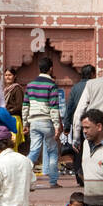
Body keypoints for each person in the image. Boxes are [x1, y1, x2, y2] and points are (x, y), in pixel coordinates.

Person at [23, 54, 65, 186]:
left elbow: (25, 106)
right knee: (52, 151)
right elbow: (53, 107)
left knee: (34, 151)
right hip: (47, 121)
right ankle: (53, 182)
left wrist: (25, 123)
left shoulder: (30, 85)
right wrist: (57, 126)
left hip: (34, 122)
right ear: (51, 69)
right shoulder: (51, 85)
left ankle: (23, 178)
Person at [62, 64, 96, 136]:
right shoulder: (95, 87)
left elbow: (69, 107)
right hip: (92, 123)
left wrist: (66, 126)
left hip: (78, 123)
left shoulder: (75, 87)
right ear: (92, 74)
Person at [3, 68, 25, 148]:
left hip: (14, 120)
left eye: (10, 75)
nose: (7, 77)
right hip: (6, 119)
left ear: (14, 76)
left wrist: (5, 112)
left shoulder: (17, 89)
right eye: (6, 75)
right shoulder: (5, 90)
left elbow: (19, 106)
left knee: (13, 145)